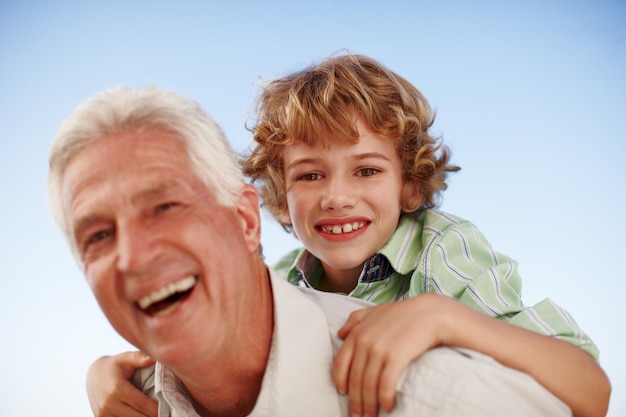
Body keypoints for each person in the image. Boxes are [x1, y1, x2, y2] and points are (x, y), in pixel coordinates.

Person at [50, 85, 575, 417]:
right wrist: (102, 375)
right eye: (310, 175)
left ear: (410, 187)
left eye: (367, 170)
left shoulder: (443, 250)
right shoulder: (282, 281)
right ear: (275, 202)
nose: (336, 196)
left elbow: (587, 391)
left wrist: (442, 316)